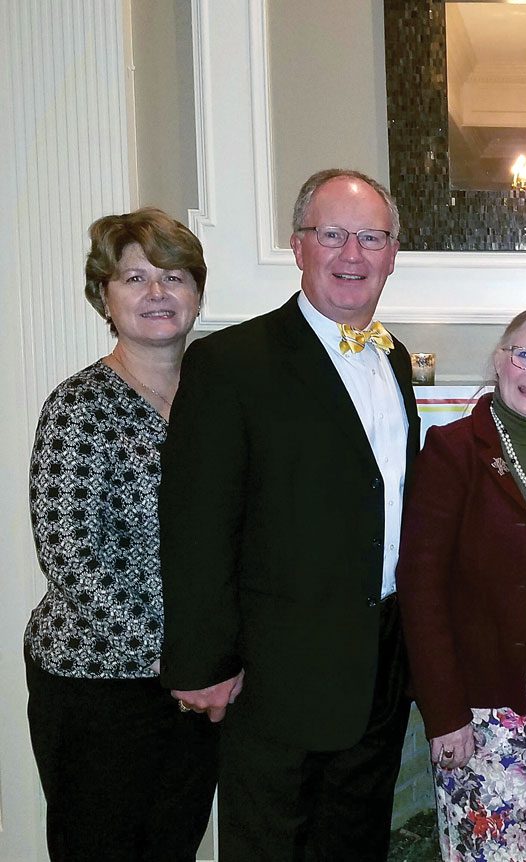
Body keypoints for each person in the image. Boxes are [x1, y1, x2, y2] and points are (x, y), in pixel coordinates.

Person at [158, 169, 420, 860]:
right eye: (332, 235)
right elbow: (196, 522)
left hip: (378, 669)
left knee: (356, 844)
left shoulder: (392, 360)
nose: (352, 255)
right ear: (299, 246)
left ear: (393, 253)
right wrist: (202, 661)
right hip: (276, 679)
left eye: (370, 237)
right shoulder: (231, 362)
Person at [23, 207, 216, 860]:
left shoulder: (216, 399)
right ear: (104, 296)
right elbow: (70, 556)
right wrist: (176, 655)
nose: (158, 294)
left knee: (172, 847)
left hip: (194, 685)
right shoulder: (79, 407)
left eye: (174, 276)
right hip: (99, 684)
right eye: (136, 278)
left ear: (196, 292)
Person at [396, 306, 526, 861]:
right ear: (500, 359)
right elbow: (421, 590)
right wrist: (445, 713)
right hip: (486, 701)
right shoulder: (453, 449)